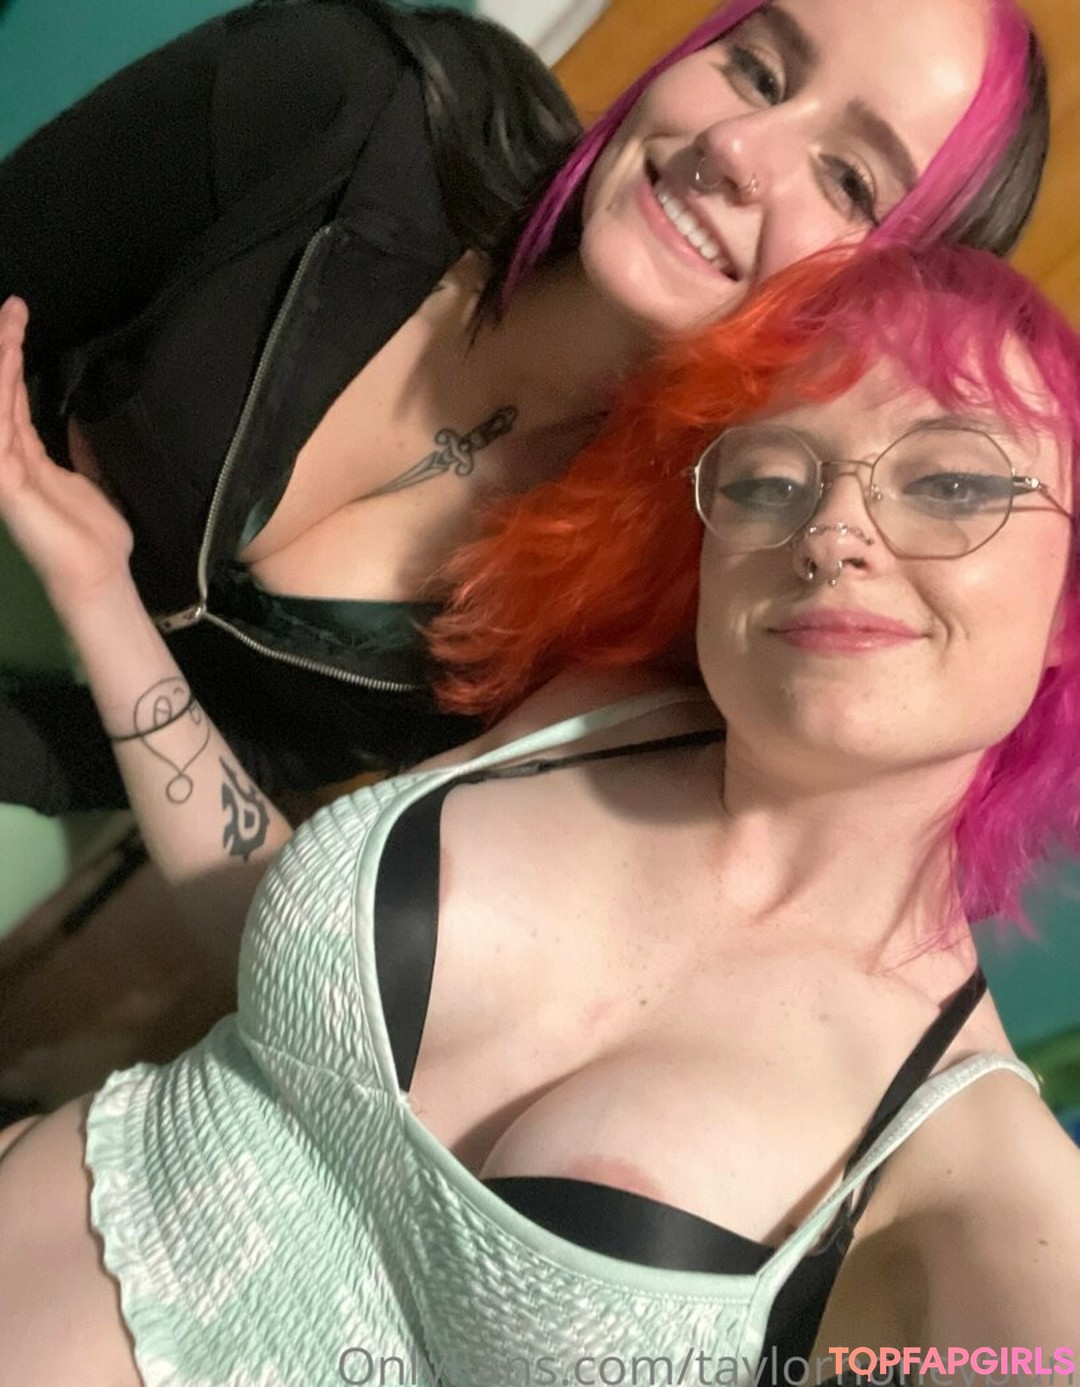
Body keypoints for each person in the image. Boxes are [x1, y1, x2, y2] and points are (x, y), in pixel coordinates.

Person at [1, 239, 1079, 1384]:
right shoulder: (601, 717)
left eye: (954, 484)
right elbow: (285, 998)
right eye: (771, 480)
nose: (834, 533)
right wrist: (96, 590)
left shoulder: (965, 1155)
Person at [0, 0, 1049, 814]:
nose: (736, 147)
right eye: (757, 71)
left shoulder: (640, 606)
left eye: (850, 181)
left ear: (873, 311)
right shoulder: (347, 99)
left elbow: (247, 753)